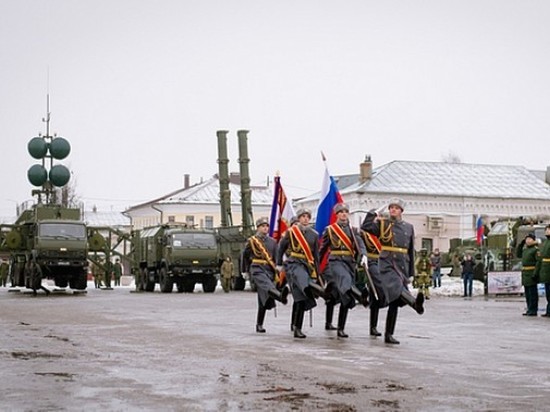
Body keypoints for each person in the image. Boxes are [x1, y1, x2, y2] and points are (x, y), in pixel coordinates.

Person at [361, 198, 424, 345]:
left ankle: (389, 334)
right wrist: (374, 213)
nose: (393, 210)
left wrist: (410, 272)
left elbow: (410, 250)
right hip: (387, 264)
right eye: (391, 208)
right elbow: (366, 226)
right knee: (396, 288)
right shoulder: (382, 224)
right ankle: (415, 304)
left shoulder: (408, 227)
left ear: (401, 211)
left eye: (396, 208)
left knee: (395, 302)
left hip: (401, 264)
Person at [319, 203, 368, 338]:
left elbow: (360, 244)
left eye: (346, 211)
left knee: (344, 296)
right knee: (345, 280)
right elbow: (322, 249)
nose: (344, 214)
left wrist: (363, 255)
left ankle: (341, 328)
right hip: (335, 262)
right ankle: (360, 296)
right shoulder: (330, 230)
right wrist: (315, 265)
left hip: (349, 262)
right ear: (337, 214)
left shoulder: (353, 230)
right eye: (341, 212)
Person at [277, 208, 326, 339]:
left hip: (307, 266)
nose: (305, 219)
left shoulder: (314, 234)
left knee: (300, 300)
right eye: (303, 216)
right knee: (303, 282)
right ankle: (321, 292)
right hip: (294, 264)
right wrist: (279, 265)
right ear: (298, 218)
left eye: (307, 216)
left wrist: (317, 273)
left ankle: (297, 328)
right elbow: (281, 247)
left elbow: (316, 255)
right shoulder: (291, 232)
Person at [242, 218, 288, 333]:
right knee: (266, 285)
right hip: (257, 268)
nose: (265, 228)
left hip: (269, 270)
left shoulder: (272, 242)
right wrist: (245, 271)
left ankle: (259, 324)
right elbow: (245, 256)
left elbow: (277, 256)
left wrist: (278, 267)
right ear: (258, 227)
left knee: (263, 298)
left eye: (267, 226)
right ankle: (280, 296)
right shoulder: (252, 241)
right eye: (262, 226)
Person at [359, 228, 383, 337]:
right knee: (376, 289)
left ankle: (373, 327)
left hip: (383, 263)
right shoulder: (364, 234)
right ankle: (373, 327)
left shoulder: (383, 232)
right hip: (370, 262)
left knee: (376, 295)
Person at [516, 233, 539, 316]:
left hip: (531, 272)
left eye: (530, 239)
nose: (528, 241)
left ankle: (533, 310)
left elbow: (538, 262)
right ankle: (529, 308)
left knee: (533, 293)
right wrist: (521, 245)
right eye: (526, 239)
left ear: (533, 240)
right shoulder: (525, 250)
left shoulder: (535, 250)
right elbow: (518, 254)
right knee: (527, 293)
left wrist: (535, 273)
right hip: (525, 273)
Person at [535, 224, 550, 317]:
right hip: (545, 271)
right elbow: (540, 259)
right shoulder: (545, 243)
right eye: (546, 230)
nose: (547, 231)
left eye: (549, 229)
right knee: (548, 293)